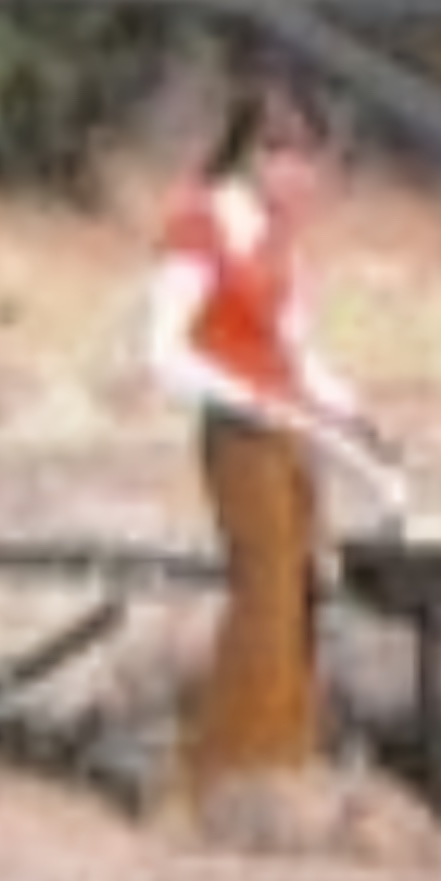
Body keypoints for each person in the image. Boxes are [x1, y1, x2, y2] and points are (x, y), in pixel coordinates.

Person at [144, 81, 408, 801]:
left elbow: (295, 352)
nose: (304, 179)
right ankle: (220, 773)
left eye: (312, 162)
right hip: (239, 434)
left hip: (290, 430)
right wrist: (247, 395)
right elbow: (165, 352)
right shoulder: (201, 227)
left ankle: (285, 761)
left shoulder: (282, 242)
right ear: (256, 155)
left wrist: (355, 411)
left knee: (301, 593)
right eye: (290, 159)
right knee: (264, 596)